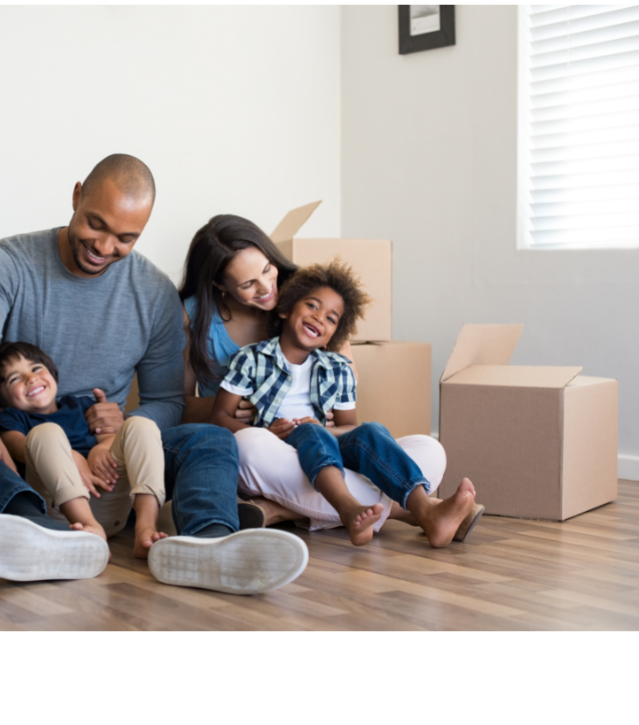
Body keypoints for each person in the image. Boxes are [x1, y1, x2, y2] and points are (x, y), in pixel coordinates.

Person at [0, 154, 308, 595]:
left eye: (125, 238)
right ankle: (30, 522)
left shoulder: (153, 293)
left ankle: (208, 543)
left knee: (210, 438)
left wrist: (119, 431)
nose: (105, 246)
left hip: (111, 464)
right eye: (96, 224)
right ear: (77, 196)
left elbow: (167, 399)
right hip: (19, 446)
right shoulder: (5, 263)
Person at [178, 214, 484, 540]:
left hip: (326, 446)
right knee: (250, 445)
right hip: (264, 449)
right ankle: (410, 511)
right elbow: (180, 406)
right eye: (247, 284)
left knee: (429, 449)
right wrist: (247, 413)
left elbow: (348, 421)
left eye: (267, 269)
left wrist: (328, 429)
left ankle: (280, 510)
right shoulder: (216, 333)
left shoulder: (314, 298)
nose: (268, 288)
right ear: (219, 285)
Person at [0, 340, 168, 559]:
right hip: (63, 510)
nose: (31, 378)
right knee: (46, 432)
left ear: (53, 375)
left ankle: (146, 528)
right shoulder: (13, 418)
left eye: (36, 368)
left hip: (109, 494)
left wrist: (101, 448)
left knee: (141, 425)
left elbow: (111, 437)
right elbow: (17, 448)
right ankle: (90, 528)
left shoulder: (80, 405)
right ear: (1, 401)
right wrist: (70, 455)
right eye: (15, 378)